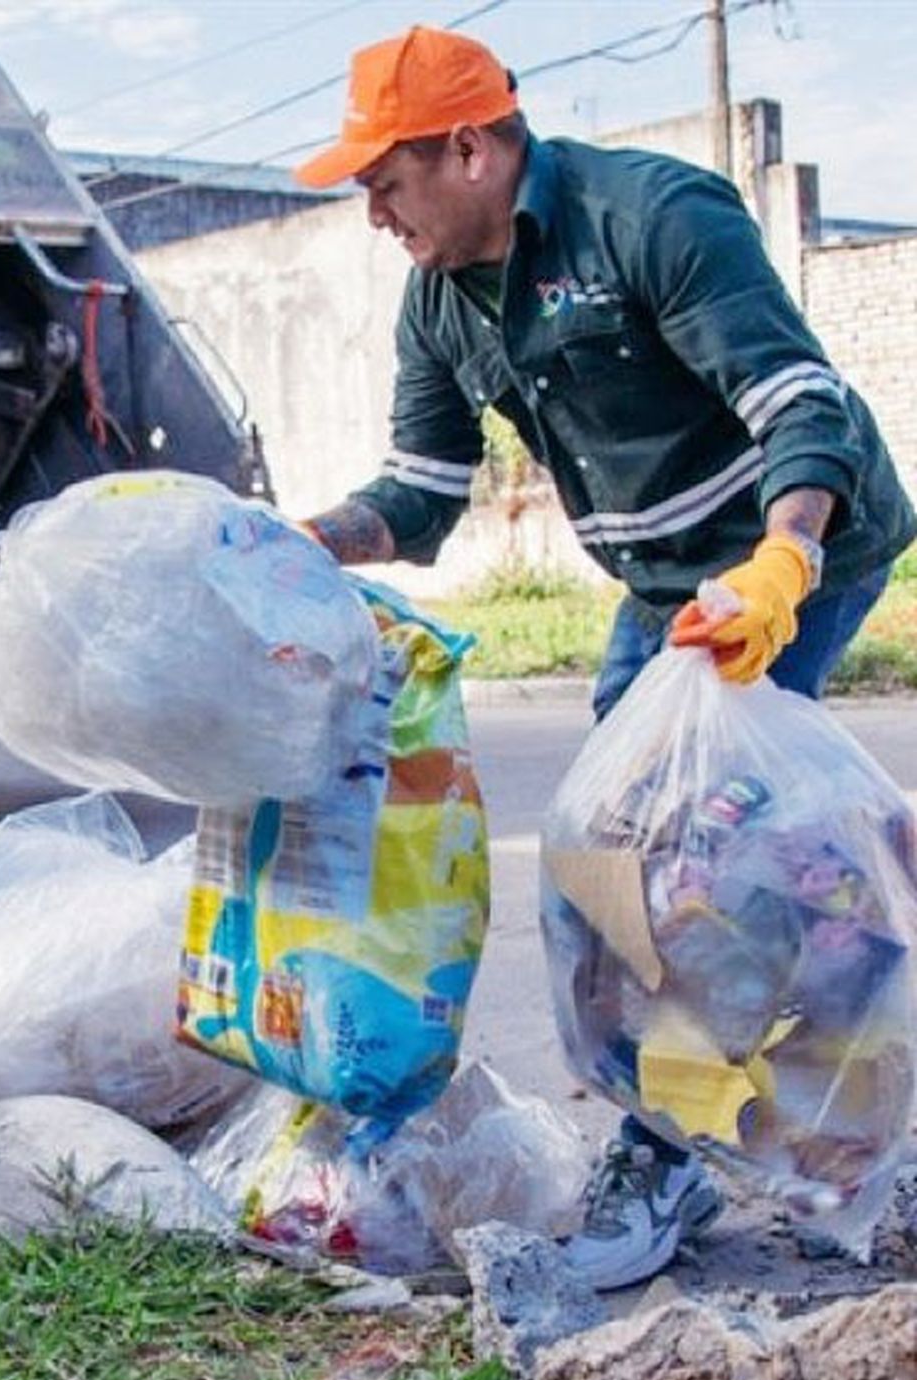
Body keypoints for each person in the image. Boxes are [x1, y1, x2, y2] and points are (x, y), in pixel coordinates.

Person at [291, 26, 917, 1289]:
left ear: (468, 149)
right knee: (601, 863)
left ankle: (751, 1144)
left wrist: (784, 563)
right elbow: (419, 493)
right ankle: (730, 1117)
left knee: (709, 862)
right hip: (665, 588)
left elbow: (800, 405)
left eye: (383, 180)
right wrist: (298, 542)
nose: (372, 213)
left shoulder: (655, 215)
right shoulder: (442, 299)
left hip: (798, 551)